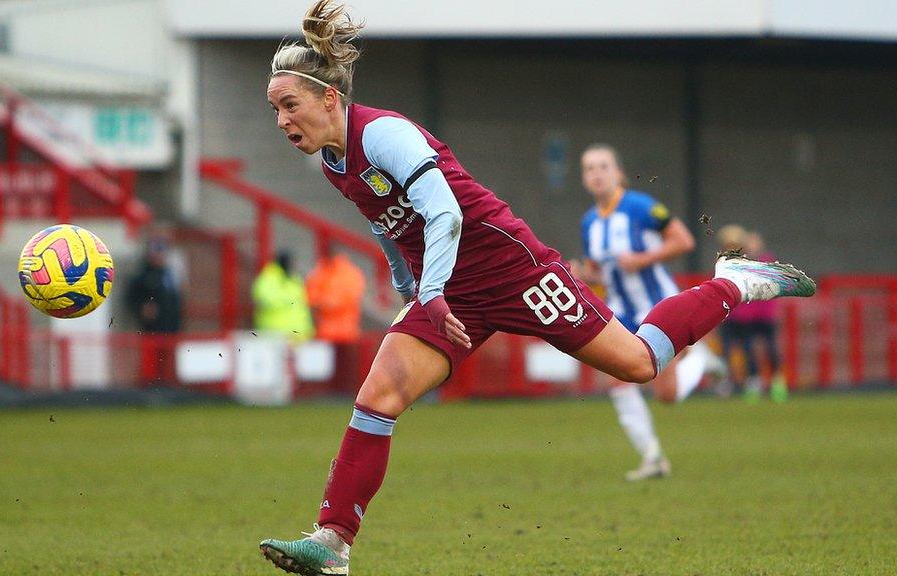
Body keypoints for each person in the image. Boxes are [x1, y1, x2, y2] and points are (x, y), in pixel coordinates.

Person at [259, 2, 815, 573]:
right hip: (450, 290)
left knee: (639, 364)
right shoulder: (334, 160)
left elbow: (444, 214)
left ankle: (734, 283)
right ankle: (333, 541)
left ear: (330, 98)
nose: (280, 119)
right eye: (274, 108)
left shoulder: (384, 134)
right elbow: (386, 222)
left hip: (513, 270)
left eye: (289, 105)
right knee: (379, 397)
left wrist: (427, 291)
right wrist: (409, 281)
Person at [573, 143, 723, 481]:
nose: (596, 174)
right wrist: (584, 275)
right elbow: (600, 271)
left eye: (603, 166)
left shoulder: (640, 207)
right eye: (589, 168)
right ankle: (652, 457)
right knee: (618, 380)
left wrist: (641, 260)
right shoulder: (589, 223)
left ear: (619, 173)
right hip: (622, 312)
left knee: (665, 396)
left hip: (657, 306)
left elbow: (684, 240)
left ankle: (700, 360)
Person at [716, 226, 787, 403]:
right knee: (746, 349)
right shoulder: (739, 262)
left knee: (771, 349)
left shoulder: (767, 262)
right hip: (746, 316)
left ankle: (777, 381)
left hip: (765, 314)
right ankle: (751, 382)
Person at [125, 234, 183, 384]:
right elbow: (132, 298)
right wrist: (142, 308)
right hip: (152, 328)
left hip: (170, 326)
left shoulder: (169, 273)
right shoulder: (143, 276)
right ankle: (150, 384)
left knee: (167, 360)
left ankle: (166, 383)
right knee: (151, 359)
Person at [306, 246, 366, 391]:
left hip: (345, 329)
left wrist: (326, 303)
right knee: (328, 372)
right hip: (327, 330)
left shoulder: (349, 272)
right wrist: (326, 303)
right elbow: (311, 296)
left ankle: (345, 392)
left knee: (345, 370)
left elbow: (351, 296)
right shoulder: (320, 271)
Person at [252, 250, 315, 343]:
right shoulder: (268, 279)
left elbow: (303, 303)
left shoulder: (294, 279)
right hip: (276, 335)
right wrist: (289, 301)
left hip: (300, 336)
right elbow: (267, 301)